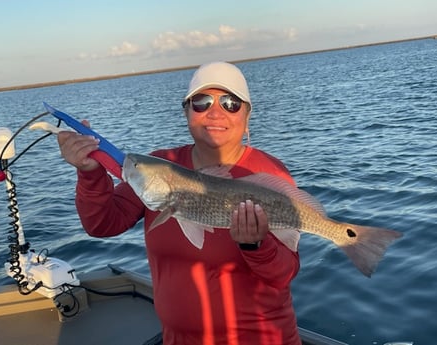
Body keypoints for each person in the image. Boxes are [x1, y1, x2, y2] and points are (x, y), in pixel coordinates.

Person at [57, 61, 302, 345]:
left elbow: (284, 274)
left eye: (231, 103)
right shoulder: (161, 168)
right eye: (201, 102)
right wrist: (90, 174)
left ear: (247, 115)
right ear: (186, 111)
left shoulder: (267, 174)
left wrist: (256, 246)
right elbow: (102, 224)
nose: (215, 111)